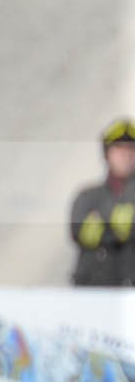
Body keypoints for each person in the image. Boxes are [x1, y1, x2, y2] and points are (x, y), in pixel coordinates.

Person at [68, 116, 135, 288]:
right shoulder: (87, 196)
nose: (126, 154)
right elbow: (82, 232)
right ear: (107, 153)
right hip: (93, 294)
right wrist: (119, 227)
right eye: (119, 148)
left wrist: (104, 222)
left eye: (131, 149)